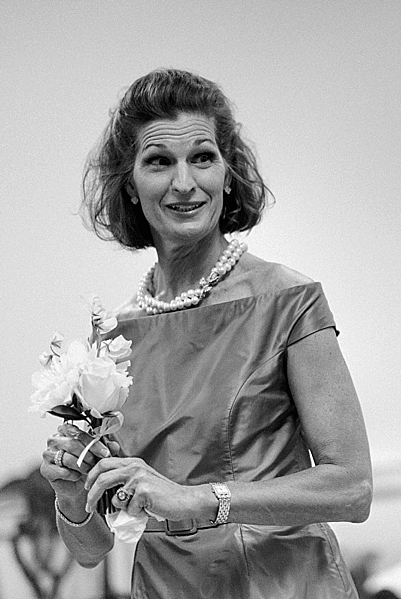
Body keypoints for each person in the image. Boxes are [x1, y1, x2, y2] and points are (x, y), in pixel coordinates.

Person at [39, 68, 372, 598]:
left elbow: (352, 488)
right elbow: (91, 550)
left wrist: (201, 500)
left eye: (202, 157)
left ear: (227, 171)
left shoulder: (288, 299)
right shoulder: (114, 338)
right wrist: (71, 500)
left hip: (284, 585)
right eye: (159, 162)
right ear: (129, 183)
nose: (184, 183)